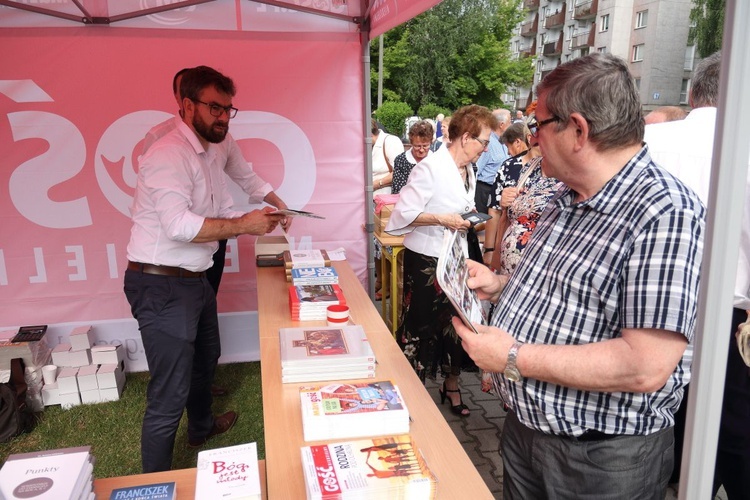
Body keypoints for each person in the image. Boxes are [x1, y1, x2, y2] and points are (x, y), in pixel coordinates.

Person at [452, 53, 705, 498]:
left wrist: (511, 357)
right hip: (529, 431)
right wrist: (500, 286)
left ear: (578, 130)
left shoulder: (664, 211)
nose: (532, 139)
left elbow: (645, 365)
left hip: (599, 461)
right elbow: (571, 297)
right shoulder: (566, 194)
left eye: (538, 125)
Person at [125, 66, 285, 473]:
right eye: (215, 107)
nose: (222, 117)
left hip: (194, 278)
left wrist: (264, 207)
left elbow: (230, 192)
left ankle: (201, 427)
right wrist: (243, 225)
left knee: (206, 356)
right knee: (168, 395)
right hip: (160, 282)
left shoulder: (216, 143)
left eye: (229, 109)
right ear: (187, 104)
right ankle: (154, 488)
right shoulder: (166, 153)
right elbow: (179, 226)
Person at [645, 51, 750, 499]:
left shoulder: (650, 140)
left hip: (651, 305)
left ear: (691, 95)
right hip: (726, 318)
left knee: (662, 419)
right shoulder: (742, 143)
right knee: (731, 436)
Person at [385, 105, 497, 417]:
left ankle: (452, 383)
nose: (486, 149)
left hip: (456, 256)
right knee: (421, 328)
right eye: (483, 142)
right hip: (426, 260)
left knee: (456, 323)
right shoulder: (430, 167)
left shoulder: (468, 170)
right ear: (465, 137)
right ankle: (410, 392)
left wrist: (466, 221)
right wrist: (441, 218)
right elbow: (402, 214)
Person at [481, 122, 539, 267]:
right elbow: (494, 210)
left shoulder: (558, 170)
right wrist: (489, 249)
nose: (507, 152)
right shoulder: (509, 166)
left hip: (537, 257)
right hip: (507, 254)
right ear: (530, 137)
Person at [474, 109, 511, 214]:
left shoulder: (503, 142)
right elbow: (477, 170)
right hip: (483, 191)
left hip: (497, 191)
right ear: (502, 125)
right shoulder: (488, 143)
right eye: (510, 122)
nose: (511, 125)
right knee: (480, 226)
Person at [391, 120, 434, 195]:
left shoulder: (436, 159)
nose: (421, 150)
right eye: (417, 146)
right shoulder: (401, 160)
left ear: (431, 142)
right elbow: (398, 190)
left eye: (425, 146)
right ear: (411, 143)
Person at [371, 119, 405, 195]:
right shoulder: (369, 145)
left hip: (385, 196)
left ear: (370, 135)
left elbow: (399, 172)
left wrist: (377, 183)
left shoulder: (391, 141)